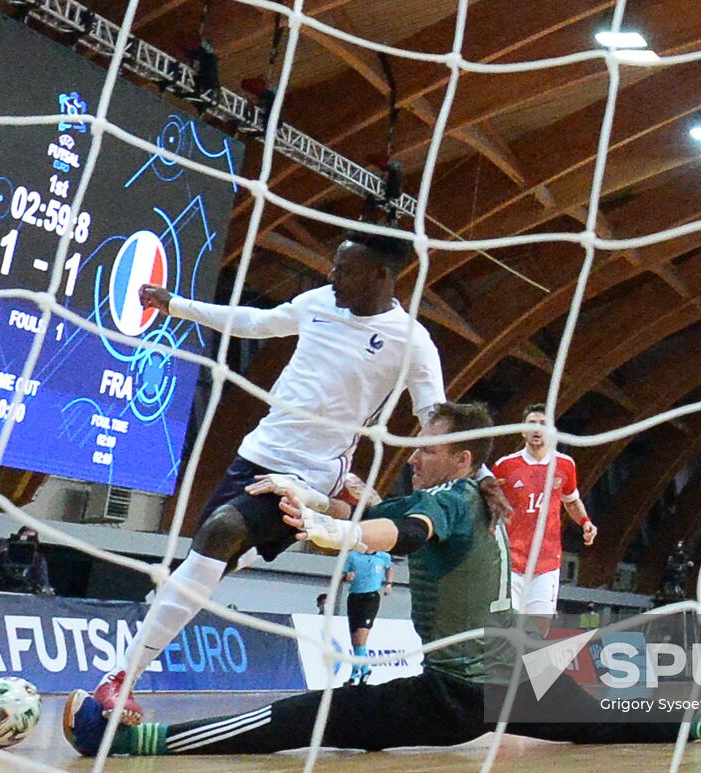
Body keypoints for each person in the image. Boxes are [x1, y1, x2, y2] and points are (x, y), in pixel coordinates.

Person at [63, 402, 701, 757]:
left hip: (459, 691)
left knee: (313, 716)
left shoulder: (453, 500)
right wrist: (312, 498)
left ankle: (133, 744)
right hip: (515, 667)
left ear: (462, 458)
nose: (413, 454)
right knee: (605, 717)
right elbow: (374, 510)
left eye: (427, 447)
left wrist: (337, 534)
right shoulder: (466, 495)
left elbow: (396, 532)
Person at [93, 229, 446, 724]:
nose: (332, 276)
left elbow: (435, 415)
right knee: (206, 565)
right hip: (254, 456)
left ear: (380, 276)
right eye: (335, 266)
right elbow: (255, 322)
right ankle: (243, 560)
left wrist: (468, 469)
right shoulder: (318, 303)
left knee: (220, 532)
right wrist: (176, 306)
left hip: (310, 477)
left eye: (345, 270)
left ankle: (119, 679)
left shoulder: (411, 341)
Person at [492, 404, 596, 633]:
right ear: (522, 430)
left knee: (537, 633)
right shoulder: (505, 466)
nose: (537, 429)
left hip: (547, 563)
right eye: (531, 423)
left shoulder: (565, 465)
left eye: (543, 424)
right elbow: (488, 502)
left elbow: (571, 501)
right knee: (507, 630)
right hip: (511, 561)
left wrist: (585, 522)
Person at [342, 548, 394, 685]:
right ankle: (365, 669)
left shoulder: (383, 556)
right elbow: (342, 574)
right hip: (354, 597)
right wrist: (347, 576)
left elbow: (389, 568)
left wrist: (389, 583)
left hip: (370, 598)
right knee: (355, 641)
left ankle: (354, 675)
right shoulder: (353, 556)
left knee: (361, 637)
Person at [0, 526, 53, 596]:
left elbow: (43, 582)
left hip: (26, 598)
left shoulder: (38, 559)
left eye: (30, 540)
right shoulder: (3, 556)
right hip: (2, 596)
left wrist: (46, 591)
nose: (25, 544)